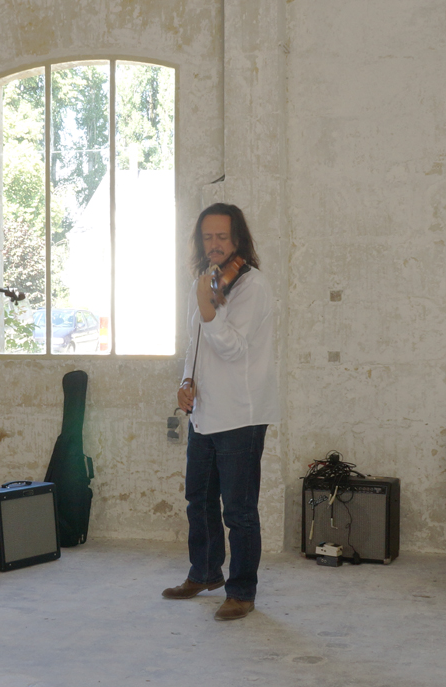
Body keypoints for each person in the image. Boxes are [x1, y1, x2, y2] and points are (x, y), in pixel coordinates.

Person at [162, 203, 280, 621]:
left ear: (237, 239)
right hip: (205, 411)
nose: (214, 244)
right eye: (207, 236)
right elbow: (195, 345)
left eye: (222, 237)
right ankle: (204, 573)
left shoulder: (252, 286)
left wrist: (208, 307)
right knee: (199, 500)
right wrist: (185, 382)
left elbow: (232, 348)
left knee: (239, 510)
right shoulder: (205, 281)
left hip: (240, 415)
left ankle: (242, 592)